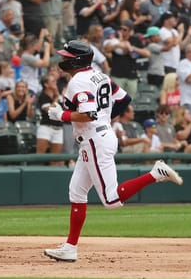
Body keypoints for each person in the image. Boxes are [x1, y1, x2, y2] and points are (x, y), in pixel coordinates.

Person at [44, 40, 183, 262]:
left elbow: (87, 114)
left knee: (111, 200)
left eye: (67, 57)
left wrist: (60, 115)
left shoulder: (78, 81)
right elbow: (123, 99)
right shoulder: (99, 75)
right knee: (77, 191)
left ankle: (155, 174)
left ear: (77, 60)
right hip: (98, 136)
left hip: (94, 139)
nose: (63, 60)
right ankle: (70, 247)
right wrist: (106, 118)